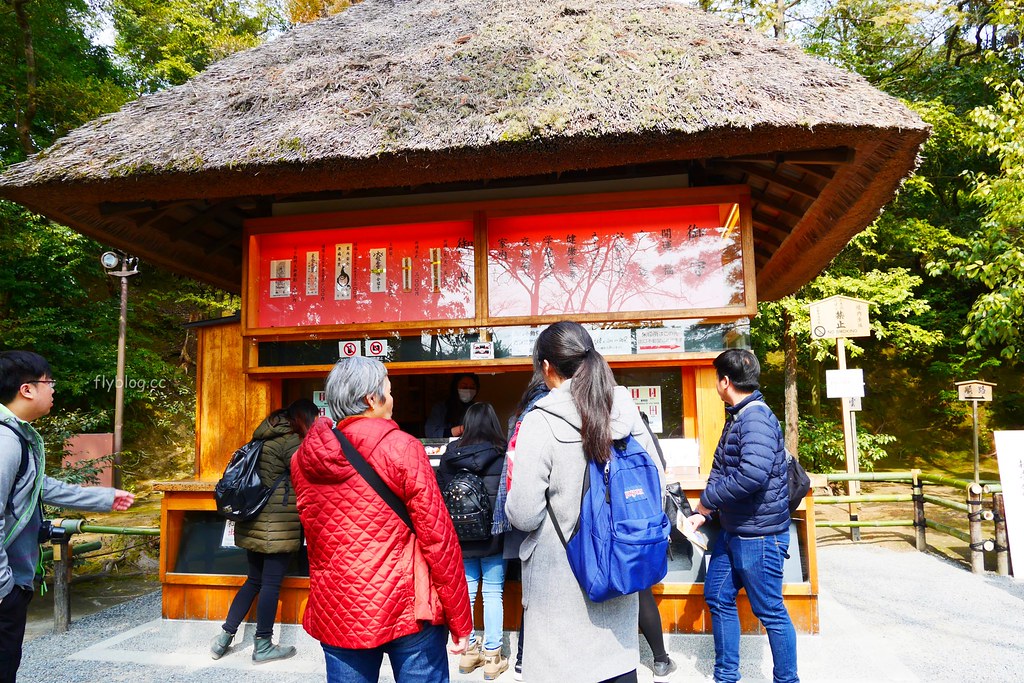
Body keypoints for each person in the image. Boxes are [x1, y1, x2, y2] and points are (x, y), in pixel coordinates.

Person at [291, 356, 473, 683]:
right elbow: (438, 538)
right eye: (388, 391)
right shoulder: (402, 447)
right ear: (371, 399)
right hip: (408, 606)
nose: (392, 398)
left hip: (340, 606)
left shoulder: (303, 460)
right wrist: (461, 619)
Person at [505, 321, 656, 683]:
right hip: (619, 580)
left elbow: (524, 514)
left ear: (546, 367)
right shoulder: (624, 409)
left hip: (562, 594)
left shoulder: (541, 421)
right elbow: (656, 484)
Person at [0, 351, 135, 683]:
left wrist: (104, 498)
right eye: (49, 382)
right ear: (27, 389)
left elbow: (40, 485)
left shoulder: (17, 435)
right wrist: (5, 589)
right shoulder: (6, 440)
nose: (53, 389)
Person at [688, 349, 798, 683]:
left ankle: (787, 680)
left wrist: (706, 502)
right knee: (718, 595)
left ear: (725, 380)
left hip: (760, 535)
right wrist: (705, 515)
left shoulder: (755, 417)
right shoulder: (738, 415)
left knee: (770, 611)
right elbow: (724, 470)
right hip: (735, 530)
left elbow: (752, 475)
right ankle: (726, 675)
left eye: (716, 379)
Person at [210, 398, 320, 663]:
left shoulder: (263, 436)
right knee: (270, 584)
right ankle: (263, 644)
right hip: (277, 525)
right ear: (304, 418)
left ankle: (224, 637)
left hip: (254, 521)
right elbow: (311, 473)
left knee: (254, 580)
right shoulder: (290, 441)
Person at [436, 402, 508, 679]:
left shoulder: (449, 456)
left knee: (465, 591)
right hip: (492, 536)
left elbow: (441, 496)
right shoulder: (502, 455)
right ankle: (492, 656)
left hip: (460, 538)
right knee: (493, 593)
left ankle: (467, 653)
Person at [494, 372, 548, 681]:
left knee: (532, 593)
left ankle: (522, 660)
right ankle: (529, 659)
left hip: (517, 513)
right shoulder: (546, 413)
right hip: (541, 518)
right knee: (545, 594)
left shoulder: (519, 416)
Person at [425, 373, 479, 438]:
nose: (468, 390)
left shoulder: (478, 409)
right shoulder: (440, 408)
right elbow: (431, 433)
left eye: (472, 387)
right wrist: (461, 429)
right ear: (455, 387)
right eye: (464, 387)